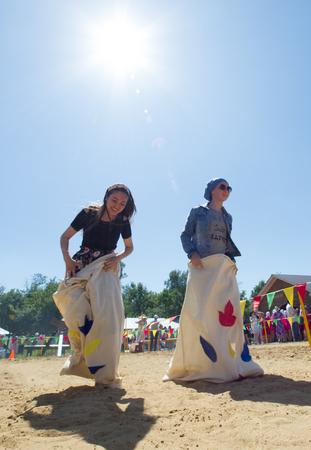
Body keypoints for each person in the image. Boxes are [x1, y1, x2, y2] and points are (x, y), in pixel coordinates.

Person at [163, 178, 263, 383]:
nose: (227, 190)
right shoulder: (197, 211)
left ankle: (231, 360)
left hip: (222, 267)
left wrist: (232, 262)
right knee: (199, 313)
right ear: (211, 191)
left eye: (229, 188)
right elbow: (185, 235)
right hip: (202, 266)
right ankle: (201, 362)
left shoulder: (229, 217)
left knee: (227, 312)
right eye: (222, 187)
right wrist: (192, 253)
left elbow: (227, 243)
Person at [53, 183, 136, 388]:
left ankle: (105, 375)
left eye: (122, 203)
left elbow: (129, 247)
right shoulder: (88, 213)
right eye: (114, 200)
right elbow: (65, 237)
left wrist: (117, 259)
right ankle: (81, 360)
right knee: (76, 314)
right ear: (106, 197)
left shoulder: (123, 221)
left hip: (106, 267)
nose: (117, 206)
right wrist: (67, 261)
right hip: (81, 265)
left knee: (107, 318)